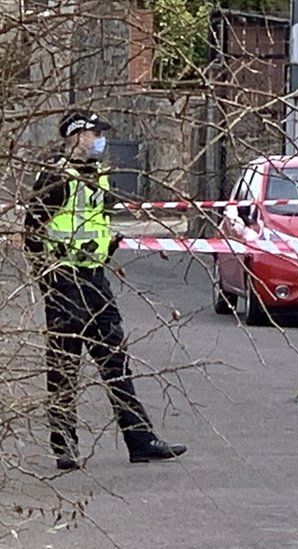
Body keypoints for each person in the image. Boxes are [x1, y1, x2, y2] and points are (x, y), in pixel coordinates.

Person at [23, 111, 187, 470]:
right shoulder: (55, 175)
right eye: (95, 132)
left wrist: (108, 245)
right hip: (64, 280)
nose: (101, 139)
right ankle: (64, 446)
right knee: (64, 366)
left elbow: (97, 223)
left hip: (95, 280)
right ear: (77, 135)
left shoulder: (98, 176)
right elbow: (32, 233)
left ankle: (140, 441)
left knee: (116, 362)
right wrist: (48, 282)